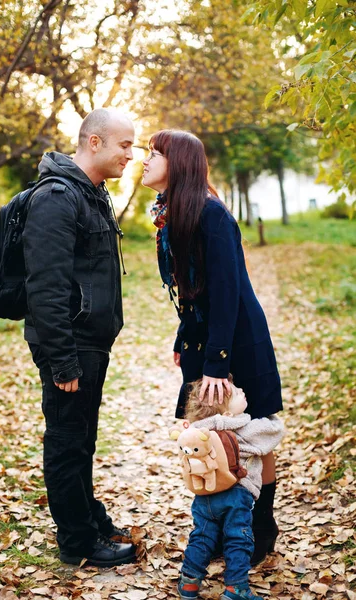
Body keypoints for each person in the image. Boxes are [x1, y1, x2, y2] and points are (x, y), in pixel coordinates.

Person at [142, 130, 283, 565]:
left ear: (179, 162)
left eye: (154, 153)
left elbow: (227, 292)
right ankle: (226, 528)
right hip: (204, 340)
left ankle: (260, 529)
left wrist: (218, 365)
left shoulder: (212, 214)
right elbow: (191, 292)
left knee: (253, 434)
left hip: (237, 340)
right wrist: (184, 340)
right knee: (210, 435)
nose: (144, 161)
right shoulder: (171, 215)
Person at [23, 108, 136, 567]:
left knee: (82, 438)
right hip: (71, 344)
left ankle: (89, 517)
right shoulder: (56, 197)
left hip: (90, 341)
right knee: (68, 441)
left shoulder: (90, 193)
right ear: (94, 143)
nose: (132, 154)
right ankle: (77, 542)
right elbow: (45, 286)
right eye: (124, 145)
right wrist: (62, 359)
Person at [176, 379, 284, 600]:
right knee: (238, 538)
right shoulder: (245, 428)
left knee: (202, 536)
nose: (242, 391)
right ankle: (236, 588)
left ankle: (188, 583)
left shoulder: (196, 431)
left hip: (205, 495)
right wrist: (264, 411)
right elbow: (276, 429)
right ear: (227, 411)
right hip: (238, 494)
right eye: (236, 393)